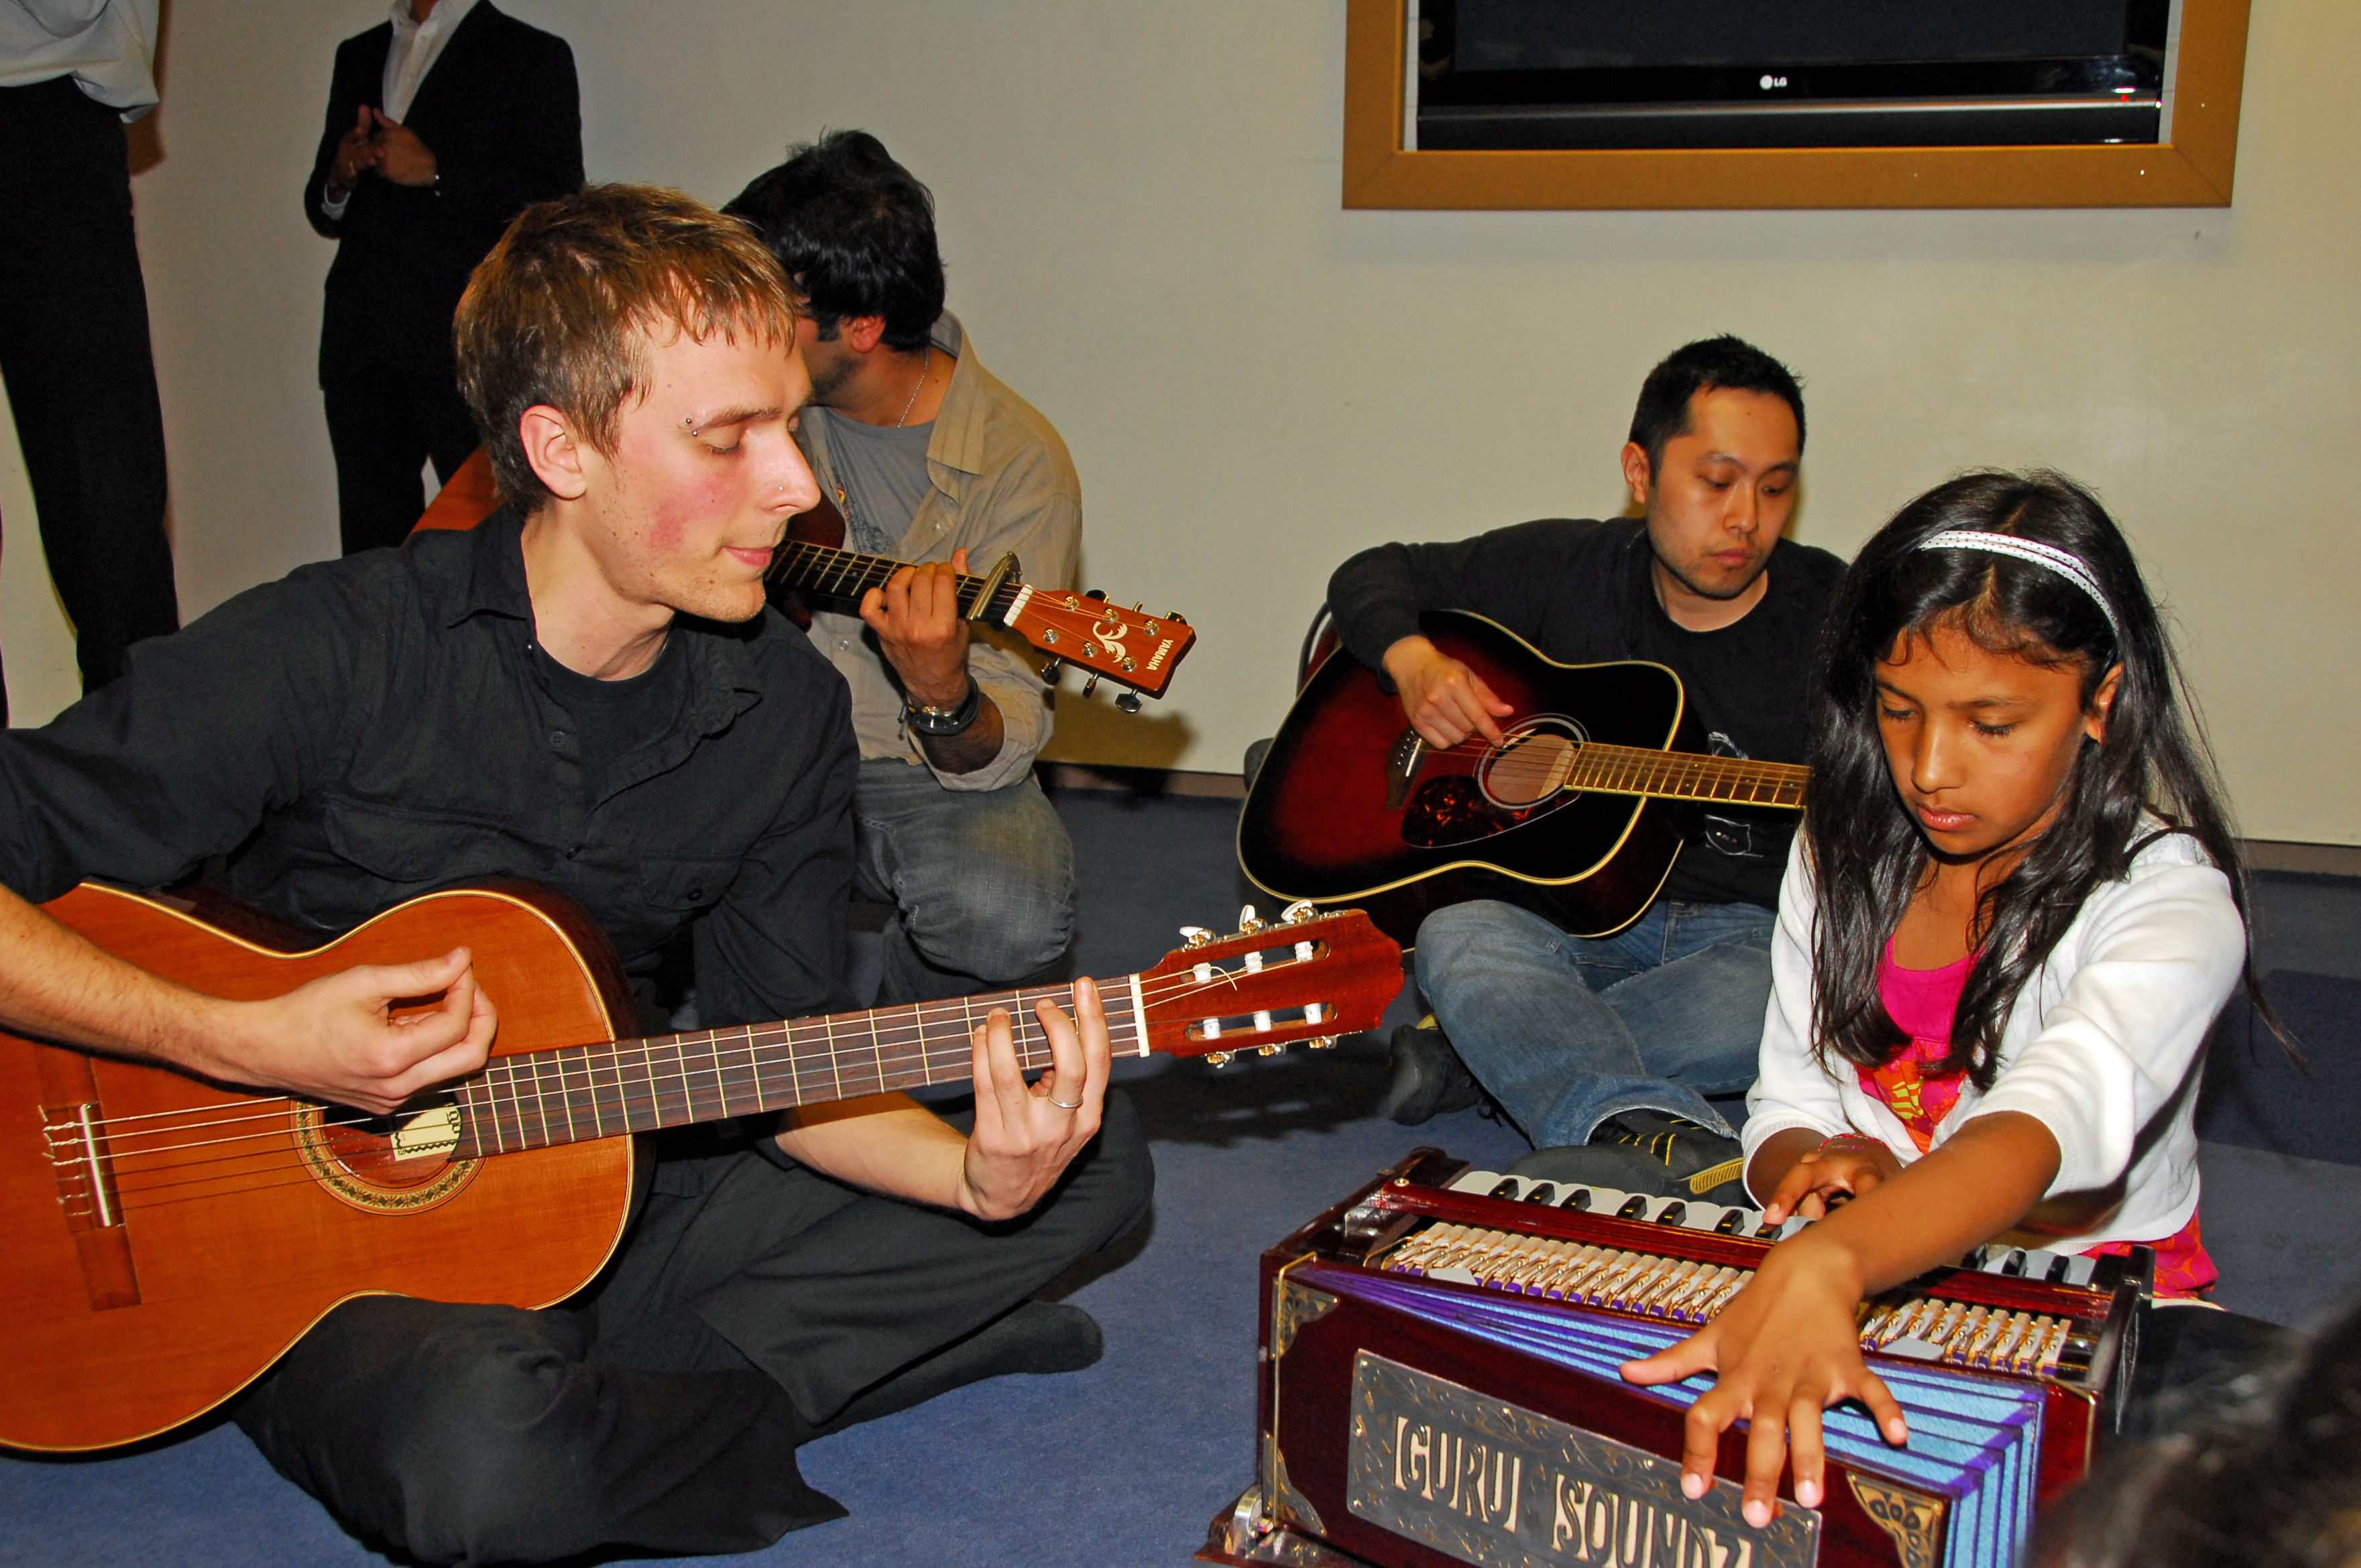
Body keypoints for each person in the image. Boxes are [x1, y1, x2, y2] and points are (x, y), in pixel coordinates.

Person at [0, 184, 1149, 1564]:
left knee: (1094, 1161)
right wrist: (236, 1035)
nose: (796, 486)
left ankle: (661, 1378)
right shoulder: (334, 648)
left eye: (788, 425)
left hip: (595, 1150)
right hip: (280, 1237)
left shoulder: (779, 714)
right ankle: (780, 1373)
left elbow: (769, 1063)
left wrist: (976, 1180)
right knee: (484, 1464)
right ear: (560, 448)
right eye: (728, 438)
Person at [1623, 470, 2274, 1531]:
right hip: (1866, 1263)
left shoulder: (2170, 900)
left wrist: (1841, 1250)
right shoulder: (1841, 849)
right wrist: (1819, 1175)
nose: (1929, 768)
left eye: (1991, 722)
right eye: (1898, 709)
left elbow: (2053, 1120)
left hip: (2089, 1297)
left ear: (2099, 700)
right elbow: (1786, 1103)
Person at [1326, 335, 1842, 1195]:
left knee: (1805, 996)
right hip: (1564, 915)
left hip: (1746, 935)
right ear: (1639, 472)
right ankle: (1654, 1126)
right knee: (1456, 934)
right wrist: (1412, 661)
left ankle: (1486, 1053)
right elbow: (1370, 573)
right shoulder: (1567, 566)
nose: (1746, 517)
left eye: (1775, 486)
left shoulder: (1836, 613)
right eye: (1715, 482)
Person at [724, 131, 1081, 1005]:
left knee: (1011, 906)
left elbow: (1007, 727)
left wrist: (943, 691)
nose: (737, 325)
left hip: (893, 759)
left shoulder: (1018, 464)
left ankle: (893, 1041)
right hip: (719, 728)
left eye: (772, 309)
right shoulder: (728, 392)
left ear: (863, 326)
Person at [303, 0, 581, 556]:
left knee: (496, 543)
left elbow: (555, 205)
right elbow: (321, 207)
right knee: (370, 553)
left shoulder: (531, 55)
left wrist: (435, 170)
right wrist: (339, 176)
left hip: (468, 341)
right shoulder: (356, 55)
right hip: (362, 340)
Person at [0, 0, 180, 715]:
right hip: (44, 128)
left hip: (43, 122)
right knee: (101, 486)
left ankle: (148, 791)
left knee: (104, 502)